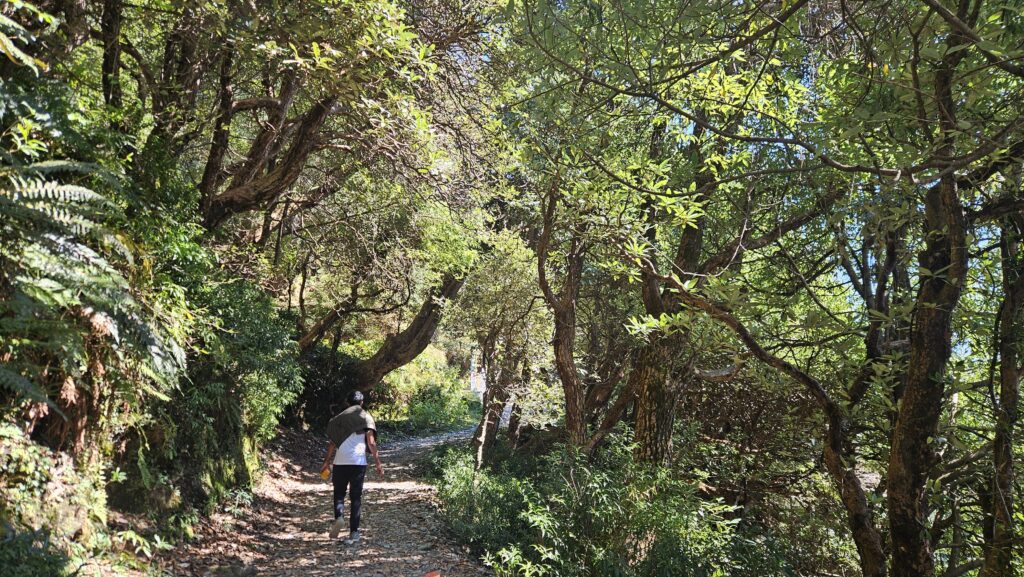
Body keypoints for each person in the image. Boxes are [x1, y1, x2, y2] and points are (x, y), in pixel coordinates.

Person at [320, 390, 383, 544]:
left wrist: (326, 461)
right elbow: (371, 443)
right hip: (358, 463)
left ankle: (339, 517)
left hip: (340, 462)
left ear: (348, 403)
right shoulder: (366, 418)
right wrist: (378, 463)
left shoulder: (340, 419)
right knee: (356, 498)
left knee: (339, 494)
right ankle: (354, 532)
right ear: (362, 403)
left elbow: (332, 443)